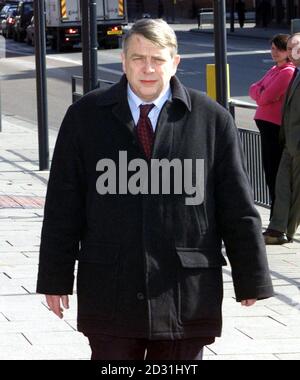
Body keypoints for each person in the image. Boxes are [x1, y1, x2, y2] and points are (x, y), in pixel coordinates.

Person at [36, 18, 273, 360]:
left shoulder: (211, 119)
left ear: (175, 62)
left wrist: (251, 277)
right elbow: (63, 205)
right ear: (123, 61)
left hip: (185, 294)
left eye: (158, 59)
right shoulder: (85, 116)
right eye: (137, 58)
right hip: (110, 291)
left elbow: (237, 206)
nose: (148, 68)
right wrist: (55, 278)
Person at [249, 34, 295, 218]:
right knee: (269, 171)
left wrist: (261, 93)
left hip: (275, 128)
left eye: (280, 49)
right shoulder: (274, 69)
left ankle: (280, 215)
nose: (275, 52)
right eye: (273, 48)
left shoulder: (287, 72)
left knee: (276, 173)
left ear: (288, 52)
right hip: (266, 128)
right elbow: (253, 88)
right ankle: (276, 213)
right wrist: (261, 93)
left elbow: (265, 96)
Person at [264, 33, 300, 245]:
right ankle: (277, 228)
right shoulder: (295, 72)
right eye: (291, 46)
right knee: (282, 185)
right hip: (289, 141)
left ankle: (287, 231)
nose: (294, 49)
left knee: (297, 190)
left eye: (297, 45)